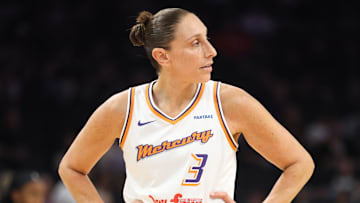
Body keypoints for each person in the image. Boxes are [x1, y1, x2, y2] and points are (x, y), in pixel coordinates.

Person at [58, 8, 315, 203]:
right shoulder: (122, 107)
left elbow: (299, 163)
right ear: (162, 56)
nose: (211, 50)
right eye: (196, 43)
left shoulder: (230, 102)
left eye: (206, 38)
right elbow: (71, 168)